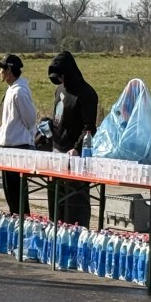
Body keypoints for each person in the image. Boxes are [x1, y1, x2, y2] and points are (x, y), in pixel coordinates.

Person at [45, 51, 98, 227]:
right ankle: (56, 231)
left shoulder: (86, 93)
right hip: (56, 154)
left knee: (75, 204)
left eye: (61, 76)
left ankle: (77, 232)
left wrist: (77, 148)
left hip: (75, 158)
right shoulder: (59, 90)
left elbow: (89, 127)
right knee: (56, 203)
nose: (60, 80)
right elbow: (58, 119)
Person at [0, 53, 35, 216]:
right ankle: (16, 219)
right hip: (9, 147)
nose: (0, 73)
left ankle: (23, 222)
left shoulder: (19, 92)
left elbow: (30, 119)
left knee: (17, 194)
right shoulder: (12, 90)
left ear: (9, 70)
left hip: (19, 147)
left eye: (2, 69)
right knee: (10, 193)